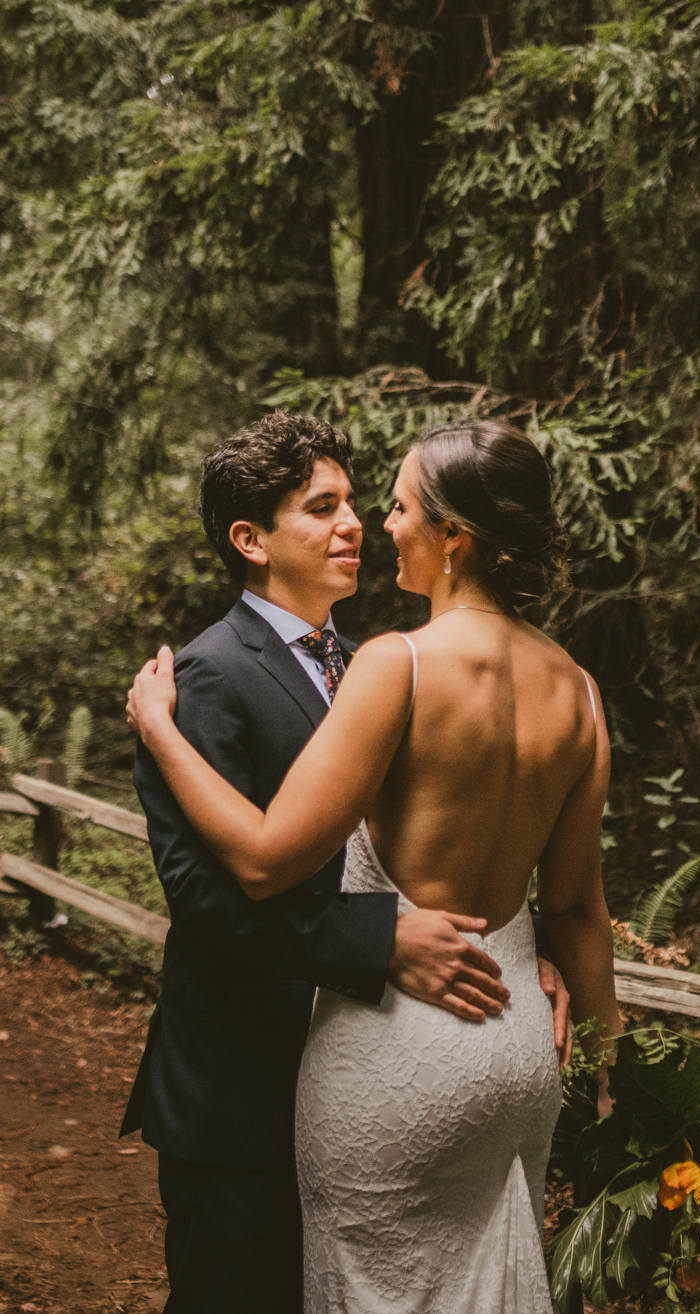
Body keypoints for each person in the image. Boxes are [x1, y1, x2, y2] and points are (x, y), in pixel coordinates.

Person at [128, 417, 622, 1314]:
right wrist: (392, 937)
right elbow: (205, 902)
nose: (362, 522)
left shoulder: (386, 665)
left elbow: (301, 854)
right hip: (248, 1078)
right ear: (251, 540)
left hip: (392, 1059)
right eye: (327, 507)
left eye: (376, 503)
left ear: (452, 536)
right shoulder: (208, 674)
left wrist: (522, 947)